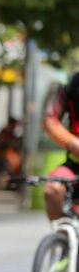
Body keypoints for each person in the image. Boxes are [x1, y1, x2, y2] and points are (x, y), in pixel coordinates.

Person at [43, 73, 79, 221]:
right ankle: (64, 236)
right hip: (75, 163)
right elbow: (49, 120)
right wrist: (71, 142)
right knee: (52, 190)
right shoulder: (72, 83)